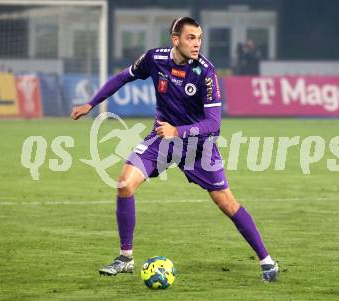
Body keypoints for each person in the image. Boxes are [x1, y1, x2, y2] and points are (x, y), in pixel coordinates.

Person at [71, 17, 279, 282]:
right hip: (162, 138)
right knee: (124, 184)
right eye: (191, 38)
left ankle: (267, 261)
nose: (197, 44)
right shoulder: (154, 59)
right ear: (175, 39)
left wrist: (177, 131)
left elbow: (214, 125)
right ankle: (125, 258)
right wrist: (91, 103)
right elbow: (124, 77)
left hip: (197, 144)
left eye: (199, 38)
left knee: (226, 202)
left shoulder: (206, 72)